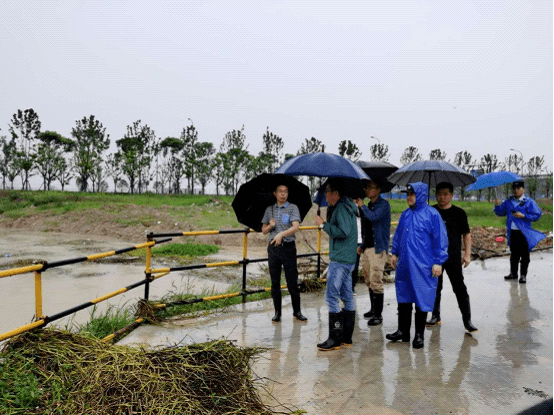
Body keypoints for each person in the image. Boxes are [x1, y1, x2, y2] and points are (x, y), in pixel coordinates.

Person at [386, 182, 448, 349]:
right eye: (407, 195)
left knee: (422, 298)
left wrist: (438, 262)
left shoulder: (432, 215)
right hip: (405, 263)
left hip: (423, 265)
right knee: (404, 297)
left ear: (420, 195)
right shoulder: (406, 214)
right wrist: (395, 252)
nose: (409, 197)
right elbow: (398, 234)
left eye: (412, 194)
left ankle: (419, 335)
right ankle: (403, 332)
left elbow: (440, 240)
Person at [426, 182, 477, 333]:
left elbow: (466, 235)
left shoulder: (459, 213)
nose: (442, 197)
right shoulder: (431, 211)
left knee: (459, 288)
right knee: (435, 287)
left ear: (451, 195)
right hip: (435, 257)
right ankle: (435, 316)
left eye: (445, 194)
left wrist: (467, 254)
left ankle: (467, 321)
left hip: (453, 256)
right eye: (439, 194)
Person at [314, 179, 359, 350]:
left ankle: (334, 338)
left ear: (335, 193)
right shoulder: (347, 206)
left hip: (340, 260)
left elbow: (343, 231)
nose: (325, 195)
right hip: (348, 259)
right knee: (347, 296)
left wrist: (323, 225)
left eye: (328, 192)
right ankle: (346, 337)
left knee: (331, 296)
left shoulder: (341, 207)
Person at [261, 183, 307, 323]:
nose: (283, 194)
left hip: (288, 247)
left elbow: (296, 227)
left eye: (286, 191)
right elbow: (263, 230)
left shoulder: (292, 208)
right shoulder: (270, 210)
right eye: (280, 191)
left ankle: (297, 311)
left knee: (292, 280)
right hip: (273, 249)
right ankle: (277, 313)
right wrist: (270, 226)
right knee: (275, 282)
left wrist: (281, 234)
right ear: (275, 193)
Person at [354, 179, 391, 326]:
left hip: (378, 248)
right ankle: (373, 309)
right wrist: (362, 245)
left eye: (369, 188)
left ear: (377, 190)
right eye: (367, 188)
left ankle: (378, 315)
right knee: (369, 280)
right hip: (367, 248)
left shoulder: (384, 205)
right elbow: (366, 229)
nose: (367, 190)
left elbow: (374, 217)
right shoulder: (369, 205)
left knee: (376, 280)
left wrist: (363, 207)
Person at [494, 180, 545, 284]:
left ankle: (523, 275)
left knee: (524, 254)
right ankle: (513, 273)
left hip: (524, 232)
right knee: (514, 254)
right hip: (512, 232)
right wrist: (497, 205)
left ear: (523, 189)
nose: (516, 191)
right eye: (514, 189)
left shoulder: (529, 202)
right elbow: (500, 213)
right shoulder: (508, 202)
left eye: (518, 188)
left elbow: (537, 215)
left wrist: (524, 216)